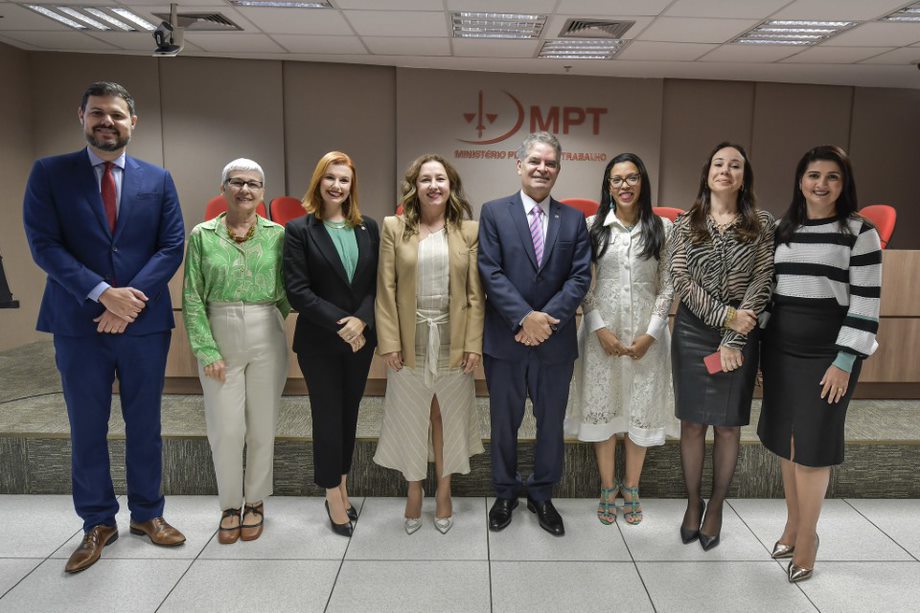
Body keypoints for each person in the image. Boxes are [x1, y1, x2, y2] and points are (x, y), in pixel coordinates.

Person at [22, 81, 186, 573]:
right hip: (78, 322)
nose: (107, 122)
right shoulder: (50, 174)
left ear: (133, 122)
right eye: (98, 113)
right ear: (82, 117)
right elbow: (44, 245)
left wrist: (127, 302)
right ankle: (98, 521)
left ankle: (148, 514)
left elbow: (171, 246)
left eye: (117, 114)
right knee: (87, 426)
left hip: (142, 324)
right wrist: (101, 293)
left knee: (146, 424)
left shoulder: (157, 179)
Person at [758, 145, 882, 582]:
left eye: (832, 177)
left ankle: (808, 537)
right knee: (787, 444)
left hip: (827, 353)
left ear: (843, 184)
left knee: (812, 449)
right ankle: (792, 525)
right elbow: (771, 294)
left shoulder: (859, 231)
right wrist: (758, 349)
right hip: (780, 349)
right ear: (800, 180)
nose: (821, 184)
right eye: (814, 175)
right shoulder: (783, 228)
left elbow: (867, 301)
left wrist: (845, 360)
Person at [478, 132, 592, 537]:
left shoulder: (575, 219)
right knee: (503, 422)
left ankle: (543, 494)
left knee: (550, 424)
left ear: (558, 169)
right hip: (505, 341)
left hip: (555, 343)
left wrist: (545, 321)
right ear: (519, 165)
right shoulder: (493, 213)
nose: (542, 169)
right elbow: (490, 272)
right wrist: (525, 318)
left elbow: (579, 278)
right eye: (535, 162)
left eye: (551, 163)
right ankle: (505, 492)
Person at [669, 142, 774, 551]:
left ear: (743, 176)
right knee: (692, 423)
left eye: (735, 165)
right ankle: (693, 502)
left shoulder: (762, 222)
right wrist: (725, 318)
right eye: (718, 163)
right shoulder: (685, 220)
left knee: (728, 425)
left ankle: (716, 506)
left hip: (742, 333)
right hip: (694, 332)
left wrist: (734, 335)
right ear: (707, 172)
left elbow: (762, 280)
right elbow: (680, 278)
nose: (725, 171)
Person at [566, 153, 679, 526]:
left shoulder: (662, 227)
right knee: (606, 407)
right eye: (617, 180)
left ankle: (632, 487)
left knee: (639, 411)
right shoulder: (592, 226)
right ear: (608, 186)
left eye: (632, 178)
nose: (625, 186)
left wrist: (651, 333)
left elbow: (668, 285)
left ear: (642, 182)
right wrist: (599, 328)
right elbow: (583, 283)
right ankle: (607, 486)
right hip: (602, 334)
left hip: (649, 335)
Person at [374, 154, 484, 535]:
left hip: (453, 338)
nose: (433, 185)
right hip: (410, 338)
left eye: (441, 179)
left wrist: (473, 345)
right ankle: (414, 489)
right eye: (426, 179)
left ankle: (444, 489)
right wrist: (389, 342)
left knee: (446, 417)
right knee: (411, 416)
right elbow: (385, 290)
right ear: (414, 186)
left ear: (450, 186)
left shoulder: (468, 231)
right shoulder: (394, 227)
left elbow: (475, 294)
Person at [183, 159, 289, 544]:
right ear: (223, 187)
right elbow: (192, 297)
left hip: (267, 331)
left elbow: (289, 293)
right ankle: (230, 505)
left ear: (263, 191)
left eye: (254, 184)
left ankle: (256, 502)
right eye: (237, 182)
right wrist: (205, 349)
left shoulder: (278, 235)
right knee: (226, 428)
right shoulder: (202, 235)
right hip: (219, 332)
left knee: (262, 426)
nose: (246, 189)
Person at [284, 152, 379, 537]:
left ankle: (342, 482)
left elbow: (377, 285)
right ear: (318, 182)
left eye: (344, 179)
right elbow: (297, 290)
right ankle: (333, 495)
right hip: (320, 341)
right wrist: (344, 323)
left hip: (361, 340)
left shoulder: (368, 228)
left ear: (352, 186)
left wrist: (363, 320)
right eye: (330, 178)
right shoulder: (299, 229)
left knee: (350, 413)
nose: (337, 185)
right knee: (327, 415)